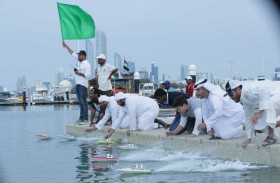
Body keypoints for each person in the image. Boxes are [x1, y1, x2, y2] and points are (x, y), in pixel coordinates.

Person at [225, 80, 280, 147]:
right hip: (274, 100)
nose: (230, 97)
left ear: (238, 89)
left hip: (277, 94)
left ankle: (271, 136)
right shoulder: (245, 100)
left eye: (231, 94)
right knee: (257, 125)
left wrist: (260, 112)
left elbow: (265, 91)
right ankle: (275, 136)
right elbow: (248, 118)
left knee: (270, 103)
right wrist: (249, 139)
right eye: (228, 95)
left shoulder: (249, 89)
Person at [62, 41, 91, 124]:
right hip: (78, 85)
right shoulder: (79, 62)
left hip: (83, 85)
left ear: (83, 56)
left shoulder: (87, 64)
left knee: (83, 102)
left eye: (79, 55)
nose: (77, 56)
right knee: (80, 102)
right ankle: (81, 118)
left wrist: (79, 73)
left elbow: (88, 75)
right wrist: (66, 45)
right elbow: (72, 53)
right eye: (78, 55)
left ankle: (85, 118)